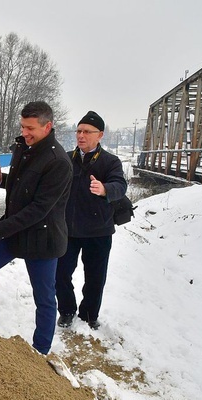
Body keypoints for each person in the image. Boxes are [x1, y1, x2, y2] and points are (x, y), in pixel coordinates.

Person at [0, 101, 72, 355]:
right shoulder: (23, 148)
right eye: (23, 126)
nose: (25, 132)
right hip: (16, 231)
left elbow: (38, 209)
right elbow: (21, 187)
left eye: (30, 128)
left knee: (45, 298)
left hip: (42, 238)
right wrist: (1, 178)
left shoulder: (58, 161)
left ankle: (40, 351)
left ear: (48, 126)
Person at [56, 111, 127, 330]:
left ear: (100, 135)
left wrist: (105, 188)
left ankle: (89, 314)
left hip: (99, 231)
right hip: (67, 229)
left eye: (87, 131)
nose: (81, 135)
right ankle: (67, 311)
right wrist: (4, 180)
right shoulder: (66, 159)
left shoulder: (110, 162)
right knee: (60, 275)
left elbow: (120, 186)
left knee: (95, 278)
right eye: (78, 131)